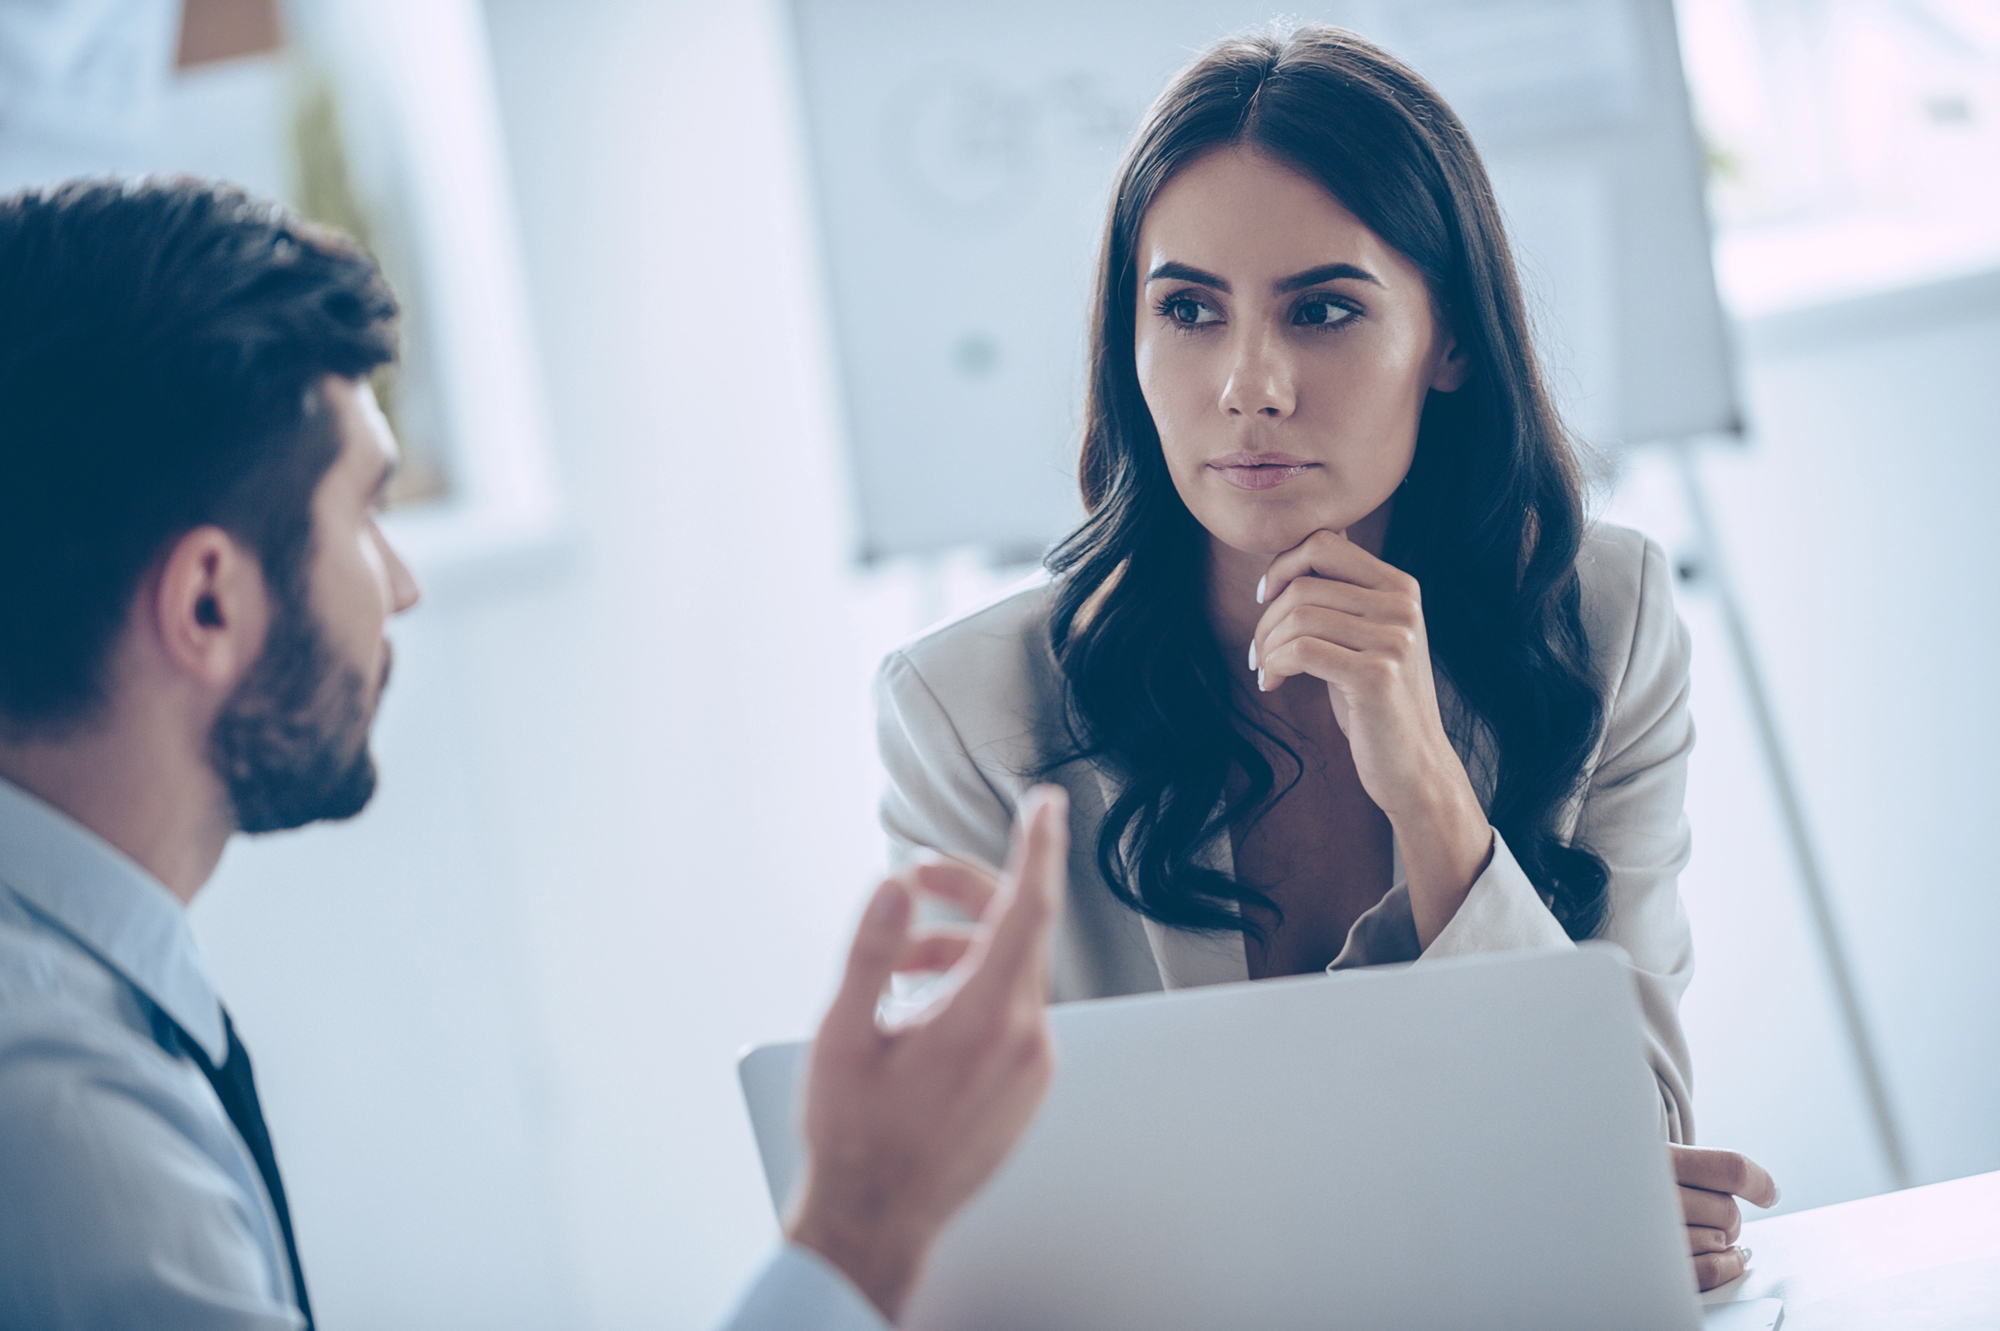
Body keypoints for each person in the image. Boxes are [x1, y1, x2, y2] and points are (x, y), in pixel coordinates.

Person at [0, 177, 1066, 1331]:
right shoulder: (66, 1119)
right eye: (364, 511)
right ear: (208, 602)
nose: (397, 584)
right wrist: (861, 1223)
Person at [875, 23, 1777, 1292]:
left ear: (1448, 340)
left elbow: (1629, 1147)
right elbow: (977, 1235)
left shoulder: (1602, 617)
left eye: (1323, 309)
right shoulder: (966, 715)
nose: (1249, 383)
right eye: (1186, 308)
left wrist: (1426, 790)